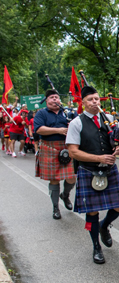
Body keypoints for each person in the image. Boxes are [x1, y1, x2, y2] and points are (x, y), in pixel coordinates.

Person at [66, 86, 119, 264]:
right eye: (90, 100)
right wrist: (98, 157)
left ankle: (104, 226)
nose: (95, 102)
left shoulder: (109, 119)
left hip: (109, 170)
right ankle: (96, 246)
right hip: (88, 170)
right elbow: (73, 152)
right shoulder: (76, 123)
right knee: (92, 211)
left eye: (96, 99)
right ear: (83, 103)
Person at [34, 90, 77, 220]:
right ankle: (55, 207)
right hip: (50, 147)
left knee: (72, 177)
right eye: (51, 98)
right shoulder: (41, 113)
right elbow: (39, 129)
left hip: (67, 147)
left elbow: (79, 127)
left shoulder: (68, 113)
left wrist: (72, 125)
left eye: (56, 97)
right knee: (55, 179)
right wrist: (58, 130)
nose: (54, 100)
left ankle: (65, 195)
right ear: (46, 101)